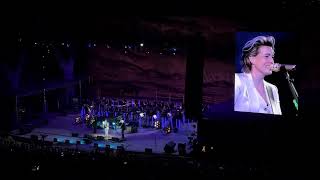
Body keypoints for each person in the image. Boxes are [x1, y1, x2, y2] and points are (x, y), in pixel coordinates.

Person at [234, 35, 282, 115]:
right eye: (266, 56)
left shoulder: (273, 89)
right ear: (251, 59)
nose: (272, 61)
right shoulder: (237, 81)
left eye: (272, 56)